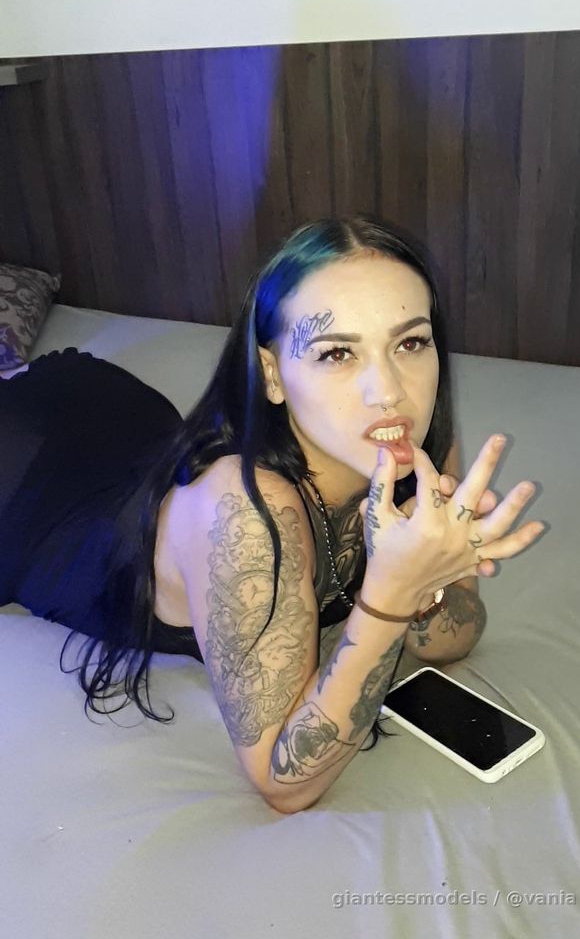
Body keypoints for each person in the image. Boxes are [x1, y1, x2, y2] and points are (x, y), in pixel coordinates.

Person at [0, 214, 545, 812]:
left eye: (410, 343)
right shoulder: (245, 508)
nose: (389, 390)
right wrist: (390, 594)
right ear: (272, 373)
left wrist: (427, 577)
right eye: (337, 353)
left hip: (123, 426)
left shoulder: (415, 440)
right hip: (25, 481)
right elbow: (285, 782)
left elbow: (453, 639)